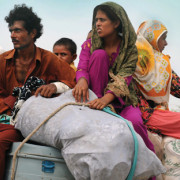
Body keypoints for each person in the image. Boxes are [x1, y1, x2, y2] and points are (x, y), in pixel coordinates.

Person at [0, 4, 75, 180]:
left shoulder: (49, 59)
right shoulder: (3, 61)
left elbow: (74, 80)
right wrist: (10, 101)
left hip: (27, 123)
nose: (12, 35)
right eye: (11, 30)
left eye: (17, 30)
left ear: (33, 33)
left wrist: (55, 86)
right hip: (4, 115)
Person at [72, 1, 155, 154]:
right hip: (94, 98)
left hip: (121, 100)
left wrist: (105, 100)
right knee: (99, 55)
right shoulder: (89, 45)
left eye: (102, 20)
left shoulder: (130, 50)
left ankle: (150, 172)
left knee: (135, 123)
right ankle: (97, 110)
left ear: (116, 23)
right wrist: (82, 80)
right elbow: (82, 67)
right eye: (96, 20)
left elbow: (124, 77)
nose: (97, 24)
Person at [133, 20, 180, 138]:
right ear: (152, 38)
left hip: (156, 114)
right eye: (163, 38)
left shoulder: (161, 64)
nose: (166, 43)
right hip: (145, 115)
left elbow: (178, 87)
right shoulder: (132, 59)